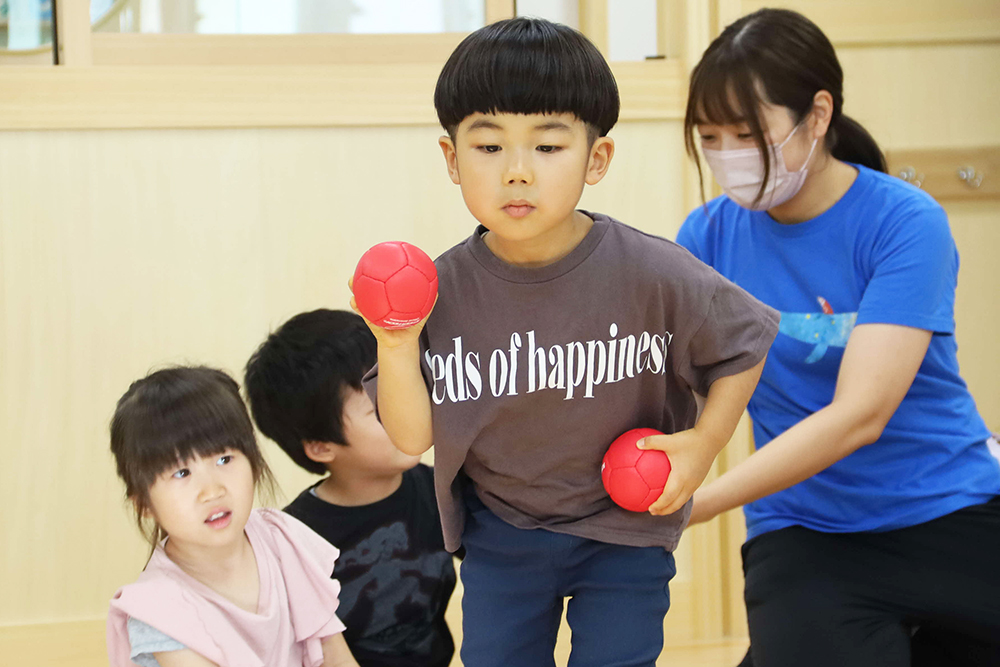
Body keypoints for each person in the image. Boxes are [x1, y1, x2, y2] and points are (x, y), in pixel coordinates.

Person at [352, 17, 780, 667]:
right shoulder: (438, 288)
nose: (517, 173)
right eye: (489, 148)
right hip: (502, 532)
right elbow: (411, 439)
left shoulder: (651, 271)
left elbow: (743, 342)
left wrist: (703, 444)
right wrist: (395, 340)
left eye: (548, 148)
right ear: (451, 158)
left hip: (625, 530)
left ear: (596, 158)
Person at [675, 8, 1000, 667]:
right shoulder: (706, 239)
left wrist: (697, 503)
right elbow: (667, 391)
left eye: (747, 133)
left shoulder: (903, 221)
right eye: (711, 137)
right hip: (807, 530)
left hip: (948, 505)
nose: (728, 156)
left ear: (816, 116)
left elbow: (860, 415)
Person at [244, 309, 458, 667]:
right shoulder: (293, 539)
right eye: (379, 408)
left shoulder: (439, 489)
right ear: (321, 446)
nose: (404, 409)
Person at [106, 366, 359, 667]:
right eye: (182, 472)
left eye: (224, 459)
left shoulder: (282, 540)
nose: (211, 490)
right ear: (143, 504)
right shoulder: (160, 608)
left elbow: (337, 658)